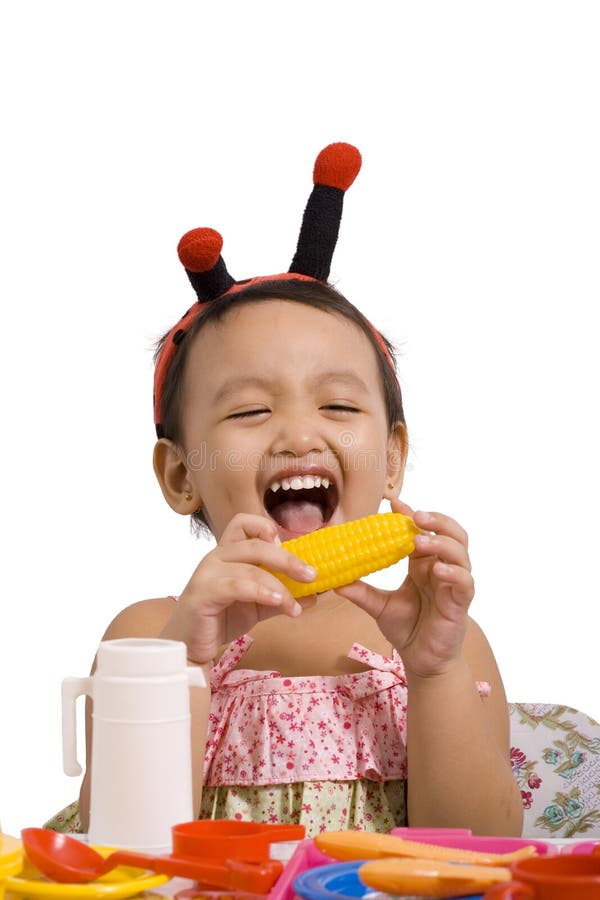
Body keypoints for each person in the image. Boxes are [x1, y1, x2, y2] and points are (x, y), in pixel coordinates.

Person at [47, 143, 523, 838]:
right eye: (248, 411)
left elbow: (485, 855)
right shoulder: (149, 639)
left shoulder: (442, 643)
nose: (299, 435)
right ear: (182, 477)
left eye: (337, 406)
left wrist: (433, 672)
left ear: (392, 461)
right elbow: (121, 850)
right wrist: (187, 659)